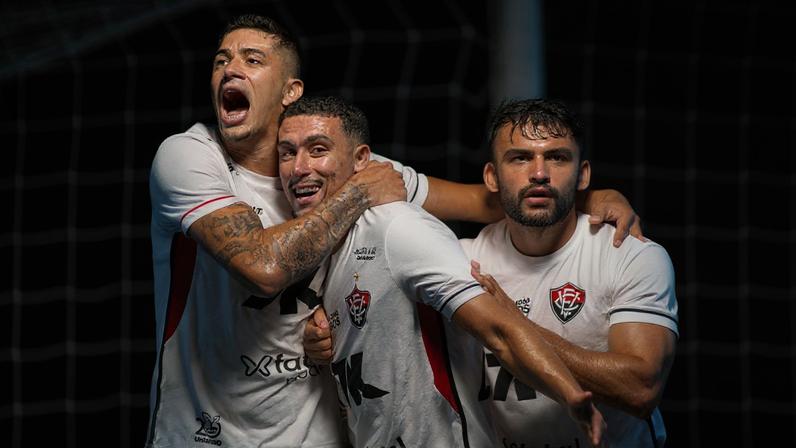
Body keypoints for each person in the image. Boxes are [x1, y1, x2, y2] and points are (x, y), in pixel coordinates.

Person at [147, 13, 640, 447]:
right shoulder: (191, 157)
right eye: (220, 60)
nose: (230, 69)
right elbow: (265, 268)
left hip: (316, 433)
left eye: (252, 60)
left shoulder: (344, 163)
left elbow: (483, 201)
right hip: (204, 432)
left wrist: (582, 197)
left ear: (290, 90)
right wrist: (358, 193)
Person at [278, 95, 605, 448]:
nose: (299, 168)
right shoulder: (323, 247)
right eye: (286, 153)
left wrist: (569, 395)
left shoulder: (398, 228)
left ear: (361, 160)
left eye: (317, 150)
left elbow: (499, 329)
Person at [462, 99, 678, 447]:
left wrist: (513, 325)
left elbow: (640, 388)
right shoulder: (462, 262)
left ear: (583, 175)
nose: (539, 173)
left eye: (557, 157)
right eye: (520, 157)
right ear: (491, 177)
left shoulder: (630, 255)